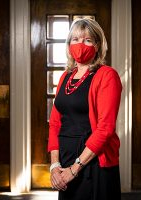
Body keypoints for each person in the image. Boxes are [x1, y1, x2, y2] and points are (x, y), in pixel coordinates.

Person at [48, 18, 122, 200]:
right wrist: (55, 166)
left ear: (97, 45)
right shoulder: (66, 76)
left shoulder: (107, 76)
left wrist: (75, 169)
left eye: (87, 40)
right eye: (75, 39)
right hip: (65, 160)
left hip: (93, 162)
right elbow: (55, 123)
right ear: (68, 44)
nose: (80, 44)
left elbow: (105, 128)